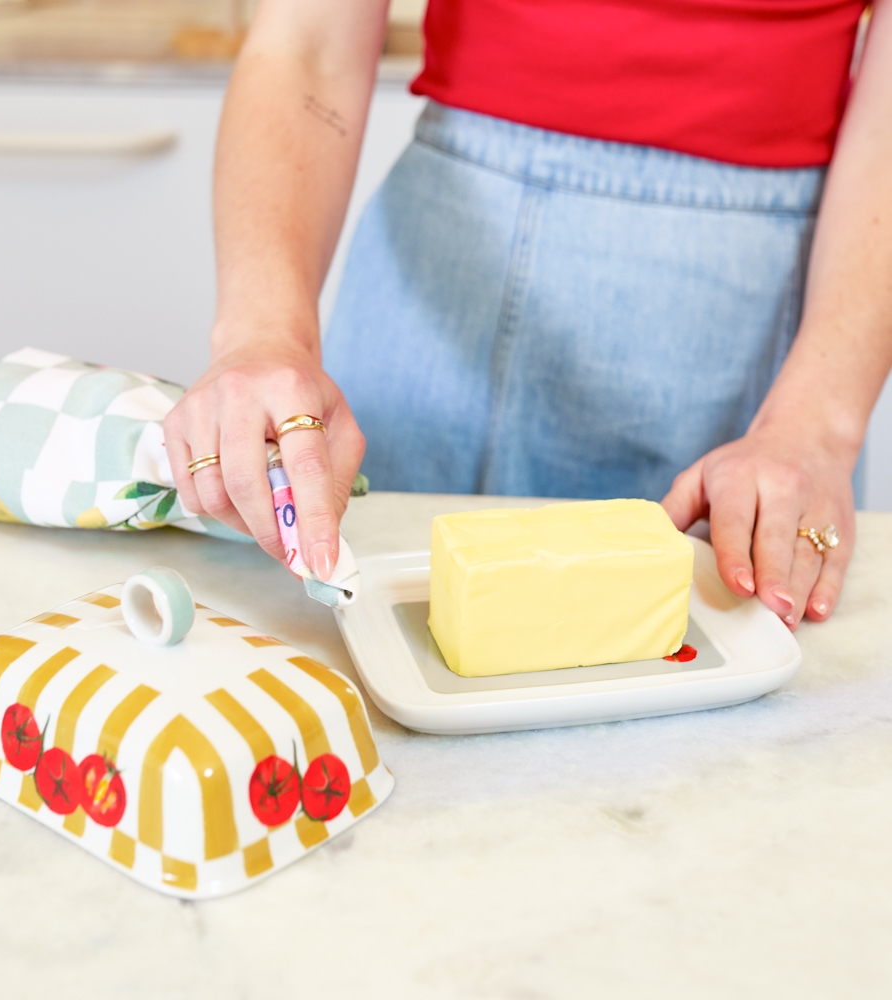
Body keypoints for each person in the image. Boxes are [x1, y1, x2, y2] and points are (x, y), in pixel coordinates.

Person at [164, 0, 892, 632]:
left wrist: (816, 425)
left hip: (747, 321)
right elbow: (309, 42)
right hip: (439, 280)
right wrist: (263, 333)